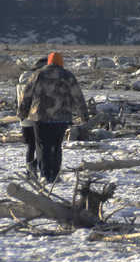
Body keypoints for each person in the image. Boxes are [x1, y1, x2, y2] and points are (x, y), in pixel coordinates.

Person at [16, 52, 89, 183]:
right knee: (56, 146)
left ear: (49, 61)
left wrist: (22, 112)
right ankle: (54, 175)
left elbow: (26, 94)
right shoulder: (68, 76)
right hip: (62, 117)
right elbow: (78, 96)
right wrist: (84, 115)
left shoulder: (37, 74)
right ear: (61, 62)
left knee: (42, 146)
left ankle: (44, 174)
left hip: (40, 117)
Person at [15, 57, 48, 177]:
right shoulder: (37, 79)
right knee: (40, 145)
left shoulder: (21, 80)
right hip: (36, 117)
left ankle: (29, 170)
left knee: (30, 146)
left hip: (23, 118)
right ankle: (37, 168)